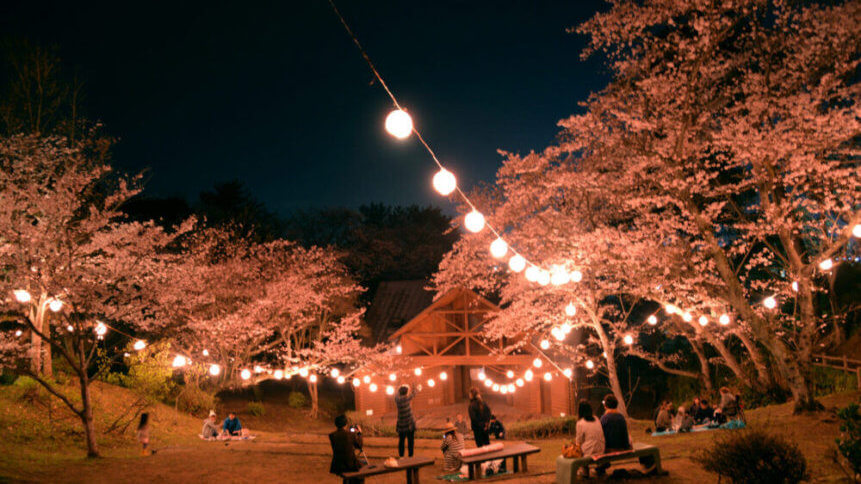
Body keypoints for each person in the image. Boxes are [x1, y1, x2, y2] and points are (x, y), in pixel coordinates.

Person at [329, 415, 364, 484]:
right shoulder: (350, 435)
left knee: (348, 476)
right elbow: (359, 446)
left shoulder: (332, 435)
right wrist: (359, 433)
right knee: (363, 468)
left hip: (338, 465)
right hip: (350, 465)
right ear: (346, 424)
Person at [394, 384, 416, 457]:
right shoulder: (407, 398)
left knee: (401, 441)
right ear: (406, 392)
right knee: (410, 442)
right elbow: (414, 393)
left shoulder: (397, 400)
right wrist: (414, 387)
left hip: (401, 426)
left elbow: (396, 395)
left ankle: (401, 456)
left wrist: (397, 388)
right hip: (410, 425)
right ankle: (410, 456)